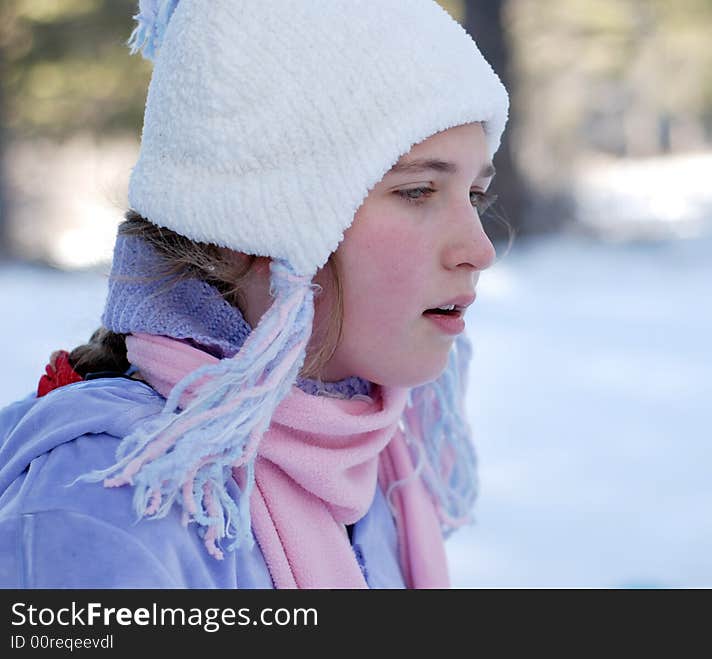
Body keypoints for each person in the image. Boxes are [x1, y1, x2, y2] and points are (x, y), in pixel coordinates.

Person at [0, 0, 508, 588]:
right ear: (258, 225)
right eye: (418, 191)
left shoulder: (376, 464)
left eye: (474, 196)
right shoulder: (108, 501)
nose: (479, 249)